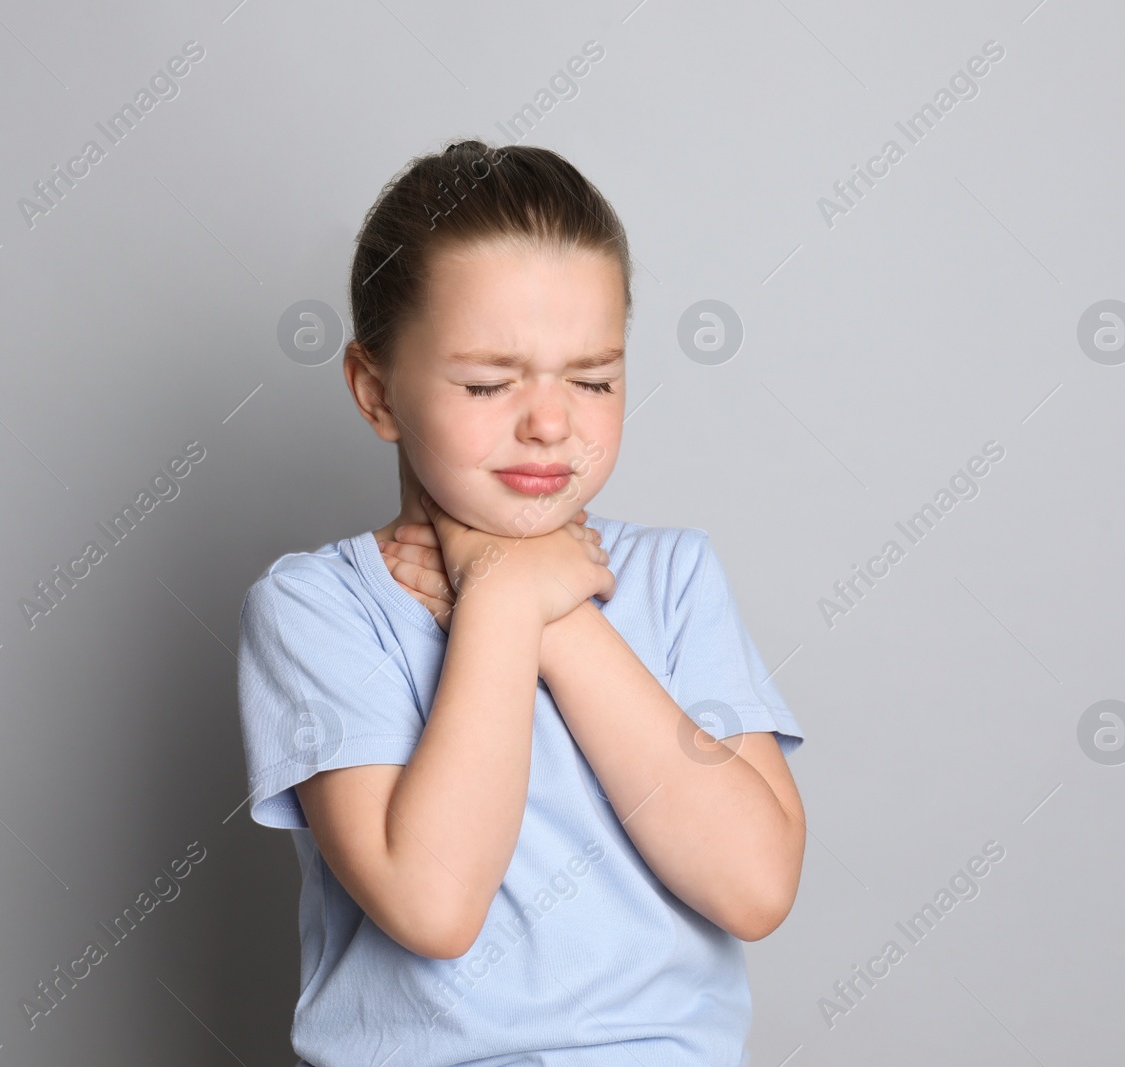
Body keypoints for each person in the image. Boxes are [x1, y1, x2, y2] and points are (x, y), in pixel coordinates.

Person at [236, 139, 806, 1067]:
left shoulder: (674, 577)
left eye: (593, 379)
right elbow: (433, 903)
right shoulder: (317, 609)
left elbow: (754, 885)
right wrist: (499, 606)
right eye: (490, 382)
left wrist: (560, 617)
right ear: (376, 392)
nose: (550, 421)